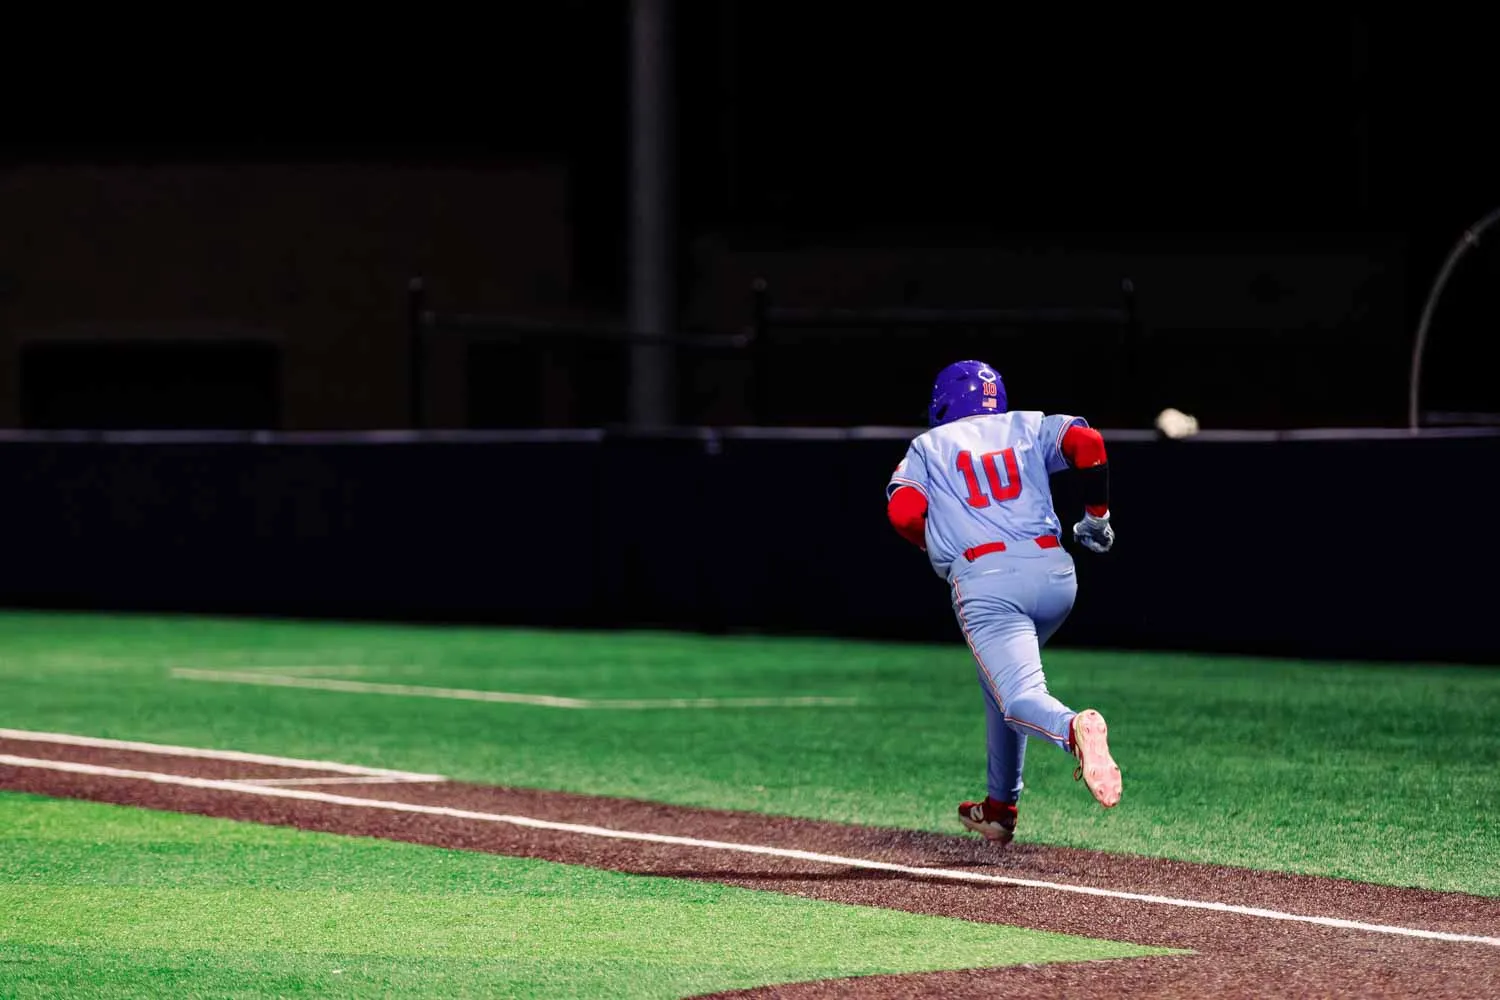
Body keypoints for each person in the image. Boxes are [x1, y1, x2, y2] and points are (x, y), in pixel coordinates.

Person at [885, 359, 1122, 845]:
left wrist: (938, 543)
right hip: (1055, 574)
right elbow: (1089, 444)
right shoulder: (1027, 424)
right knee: (999, 684)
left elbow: (903, 512)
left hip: (988, 580)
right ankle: (999, 808)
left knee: (1018, 697)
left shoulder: (929, 446)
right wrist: (1096, 517)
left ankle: (1072, 728)